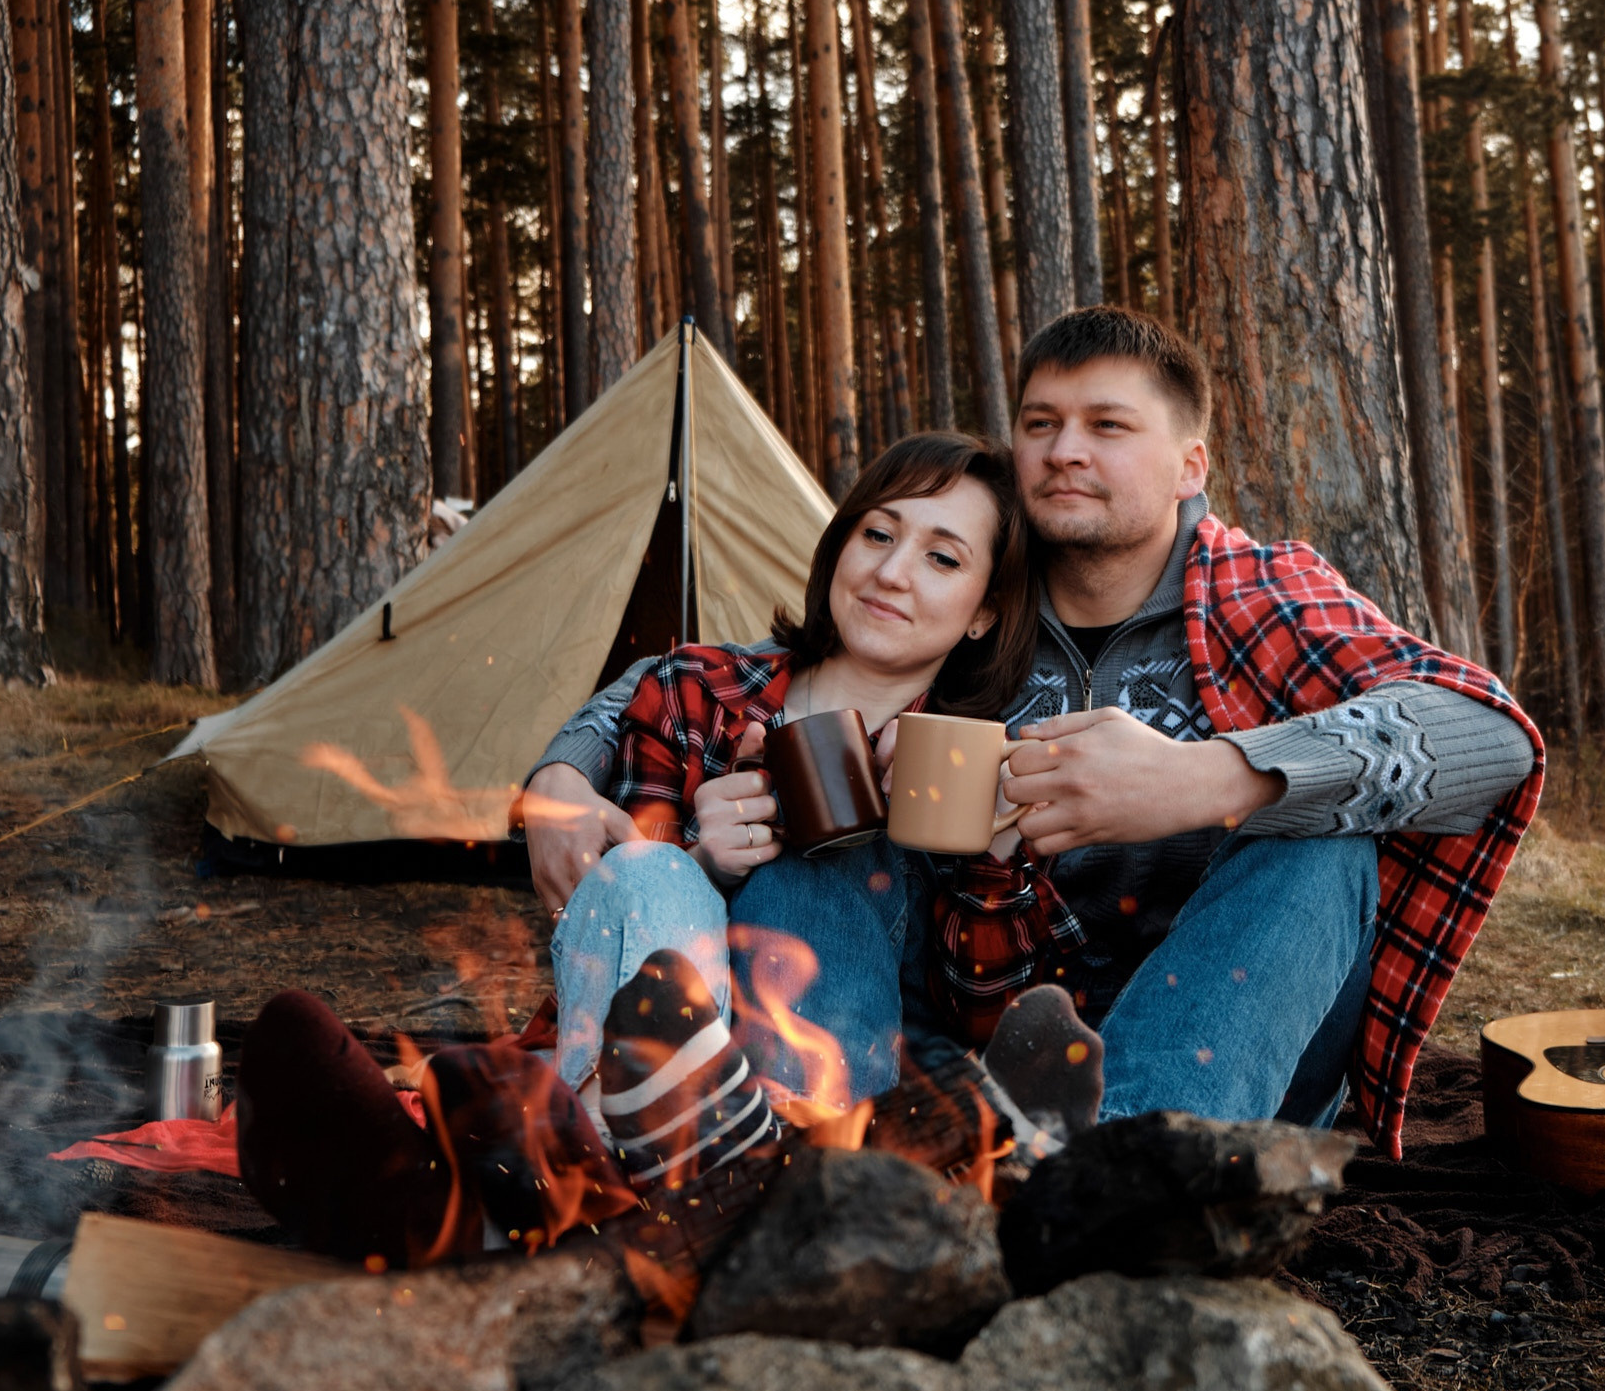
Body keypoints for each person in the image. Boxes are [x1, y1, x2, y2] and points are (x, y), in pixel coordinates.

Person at [528, 308, 1544, 1158]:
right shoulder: (973, 607)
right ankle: (818, 1159)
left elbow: (1489, 736)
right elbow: (716, 685)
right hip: (975, 1041)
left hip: (1223, 1047)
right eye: (1041, 422)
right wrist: (565, 774)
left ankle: (1122, 1170)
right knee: (830, 835)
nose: (1065, 450)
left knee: (1326, 849)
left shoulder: (1260, 595)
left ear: (1191, 463)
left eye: (1108, 425)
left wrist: (1211, 778)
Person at [543, 430, 1053, 1182]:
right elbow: (602, 919)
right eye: (876, 534)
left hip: (844, 1092)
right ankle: (621, 1167)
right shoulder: (697, 692)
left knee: (826, 865)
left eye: (942, 558)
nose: (890, 572)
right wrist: (702, 860)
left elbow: (987, 1018)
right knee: (646, 869)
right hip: (661, 1054)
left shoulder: (982, 758)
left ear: (984, 612)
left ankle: (748, 1172)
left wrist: (993, 855)